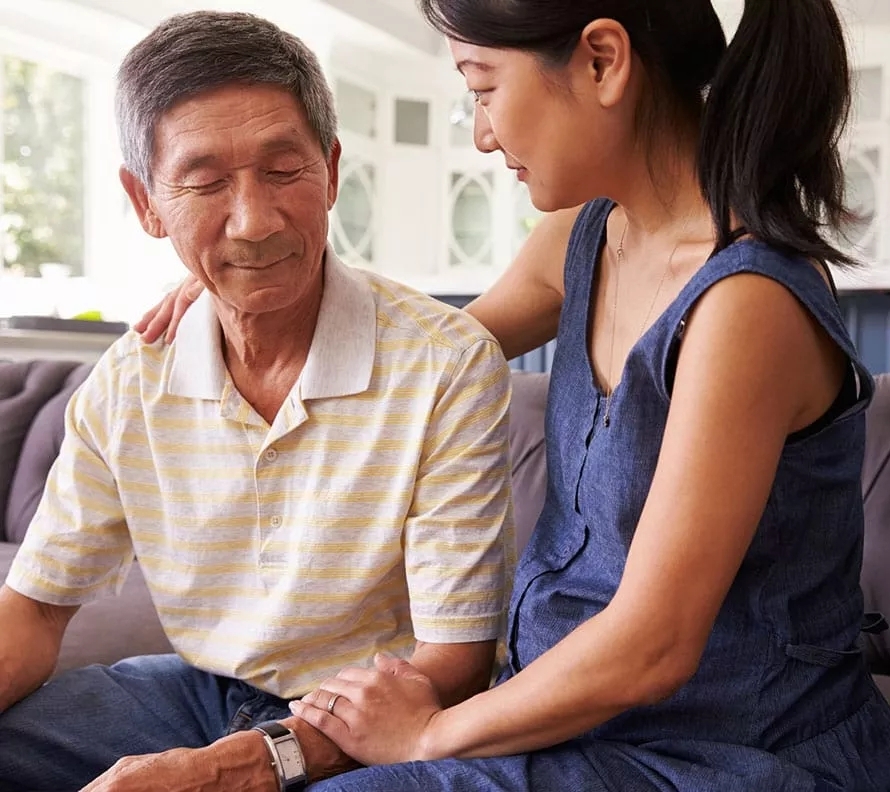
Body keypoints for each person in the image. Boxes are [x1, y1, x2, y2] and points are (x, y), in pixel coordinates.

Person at [127, 1, 890, 790]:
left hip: (720, 756)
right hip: (569, 727)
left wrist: (429, 733)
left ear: (603, 61)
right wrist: (248, 288)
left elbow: (654, 644)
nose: (482, 132)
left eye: (483, 88)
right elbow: (415, 359)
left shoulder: (746, 304)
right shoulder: (586, 236)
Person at [0, 10, 515, 792]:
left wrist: (237, 767)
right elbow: (34, 612)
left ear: (333, 171)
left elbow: (455, 662)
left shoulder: (445, 365)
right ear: (145, 203)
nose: (255, 221)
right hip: (193, 692)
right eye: (205, 182)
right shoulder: (128, 382)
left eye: (284, 171)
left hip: (371, 721)